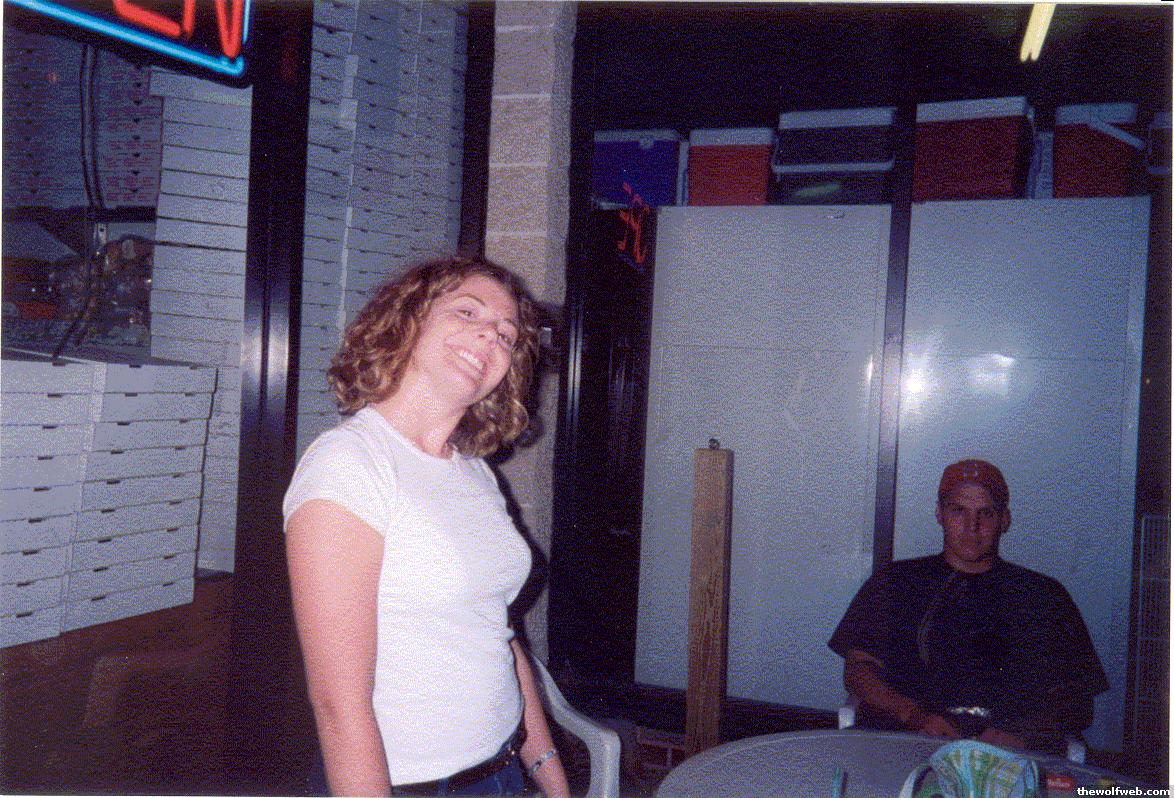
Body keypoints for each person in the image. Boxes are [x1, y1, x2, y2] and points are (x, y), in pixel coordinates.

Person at [284, 255, 571, 797]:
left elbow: (495, 631)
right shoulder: (350, 464)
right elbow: (340, 706)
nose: (489, 336)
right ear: (408, 320)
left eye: (506, 335)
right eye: (467, 312)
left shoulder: (474, 472)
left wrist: (549, 770)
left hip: (504, 770)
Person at [828, 459, 1108, 754]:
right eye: (958, 510)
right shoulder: (896, 581)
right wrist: (912, 715)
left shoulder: (1045, 596)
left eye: (985, 513)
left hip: (1009, 757)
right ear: (939, 514)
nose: (971, 527)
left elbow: (1078, 700)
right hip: (910, 744)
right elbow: (858, 671)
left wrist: (1023, 734)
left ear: (1005, 520)